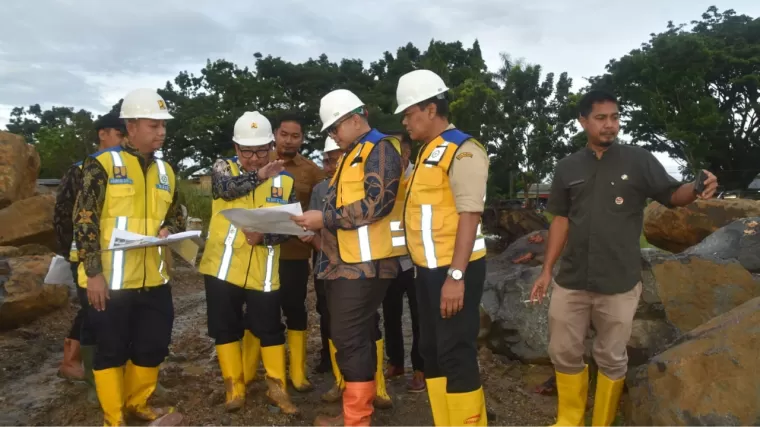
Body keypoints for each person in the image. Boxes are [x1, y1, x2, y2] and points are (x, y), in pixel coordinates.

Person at [529, 90, 718, 427]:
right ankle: (569, 420)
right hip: (572, 280)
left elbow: (672, 195)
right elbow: (560, 220)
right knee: (562, 352)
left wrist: (696, 185)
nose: (610, 125)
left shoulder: (638, 160)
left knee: (611, 357)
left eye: (615, 117)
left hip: (619, 282)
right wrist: (546, 270)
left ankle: (602, 422)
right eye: (601, 118)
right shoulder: (567, 167)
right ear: (583, 121)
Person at [293, 89, 405, 426]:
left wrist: (322, 220)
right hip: (345, 263)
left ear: (356, 118)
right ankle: (353, 414)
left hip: (365, 265)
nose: (332, 136)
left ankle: (357, 420)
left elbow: (378, 203)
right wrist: (315, 228)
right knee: (347, 337)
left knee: (351, 338)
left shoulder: (380, 149)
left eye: (334, 129)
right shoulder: (353, 153)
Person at [73, 88, 185, 426]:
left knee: (153, 346)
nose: (161, 132)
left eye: (163, 125)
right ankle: (114, 417)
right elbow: (84, 219)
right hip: (110, 281)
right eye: (154, 125)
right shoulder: (102, 165)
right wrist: (93, 274)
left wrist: (169, 228)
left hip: (154, 278)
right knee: (111, 350)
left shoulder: (167, 171)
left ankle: (139, 403)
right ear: (131, 126)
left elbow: (178, 214)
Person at [395, 69, 489, 426]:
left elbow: (469, 215)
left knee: (455, 354)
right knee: (430, 352)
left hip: (455, 271)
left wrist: (456, 276)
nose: (405, 120)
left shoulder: (463, 150)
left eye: (409, 113)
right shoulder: (426, 154)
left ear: (431, 109)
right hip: (428, 273)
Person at [198, 111, 300, 414]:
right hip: (223, 267)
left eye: (260, 150)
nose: (254, 157)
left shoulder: (286, 180)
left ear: (271, 145)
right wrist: (259, 176)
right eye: (247, 151)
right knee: (225, 327)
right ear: (235, 147)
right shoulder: (222, 168)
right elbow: (225, 190)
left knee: (269, 328)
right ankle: (234, 387)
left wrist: (265, 237)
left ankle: (277, 388)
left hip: (264, 271)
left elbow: (290, 228)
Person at [55, 112, 125, 402]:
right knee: (93, 311)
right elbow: (62, 215)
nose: (124, 142)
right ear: (103, 134)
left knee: (112, 312)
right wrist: (71, 255)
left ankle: (103, 370)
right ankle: (87, 373)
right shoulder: (82, 168)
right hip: (84, 254)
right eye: (120, 135)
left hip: (117, 254)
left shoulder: (128, 168)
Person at [271, 111, 326, 392]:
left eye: (295, 136)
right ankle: (272, 373)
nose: (289, 140)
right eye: (284, 134)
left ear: (302, 139)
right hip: (259, 254)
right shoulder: (259, 162)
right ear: (274, 134)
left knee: (295, 309)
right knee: (263, 313)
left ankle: (298, 373)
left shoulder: (311, 171)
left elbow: (325, 202)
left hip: (294, 254)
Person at [380, 133, 426, 393]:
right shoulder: (383, 180)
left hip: (417, 258)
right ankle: (395, 362)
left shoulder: (418, 178)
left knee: (420, 316)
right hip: (389, 257)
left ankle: (420, 368)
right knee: (390, 313)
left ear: (406, 154)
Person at [306, 136, 342, 376]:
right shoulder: (320, 189)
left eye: (333, 160)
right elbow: (313, 228)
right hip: (325, 264)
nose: (328, 167)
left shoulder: (362, 184)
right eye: (326, 161)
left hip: (356, 265)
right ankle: (331, 362)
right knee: (327, 313)